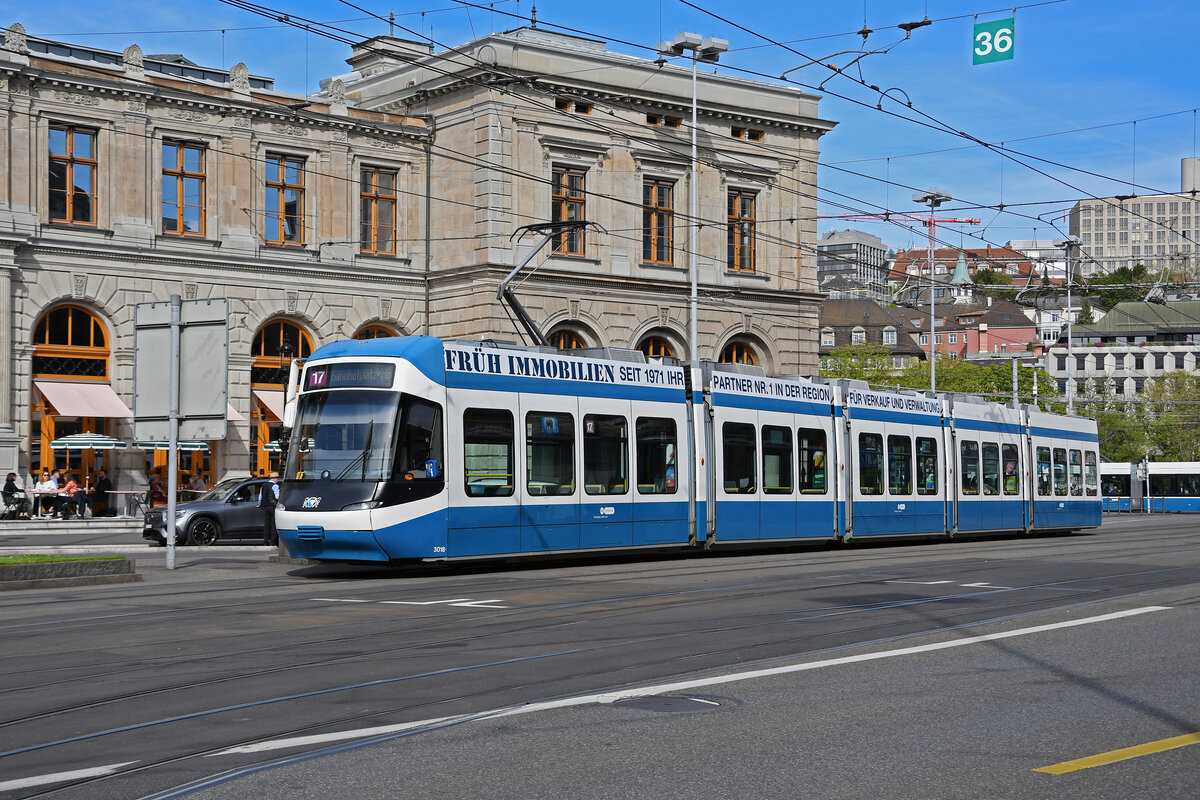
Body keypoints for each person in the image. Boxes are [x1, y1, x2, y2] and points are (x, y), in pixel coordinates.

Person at [258, 472, 280, 546]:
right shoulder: (275, 486)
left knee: (266, 525)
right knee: (273, 525)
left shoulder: (263, 486)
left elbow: (260, 497)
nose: (277, 479)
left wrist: (259, 504)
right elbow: (277, 497)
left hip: (265, 506)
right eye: (277, 478)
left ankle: (266, 541)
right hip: (273, 506)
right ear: (274, 479)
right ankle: (273, 542)